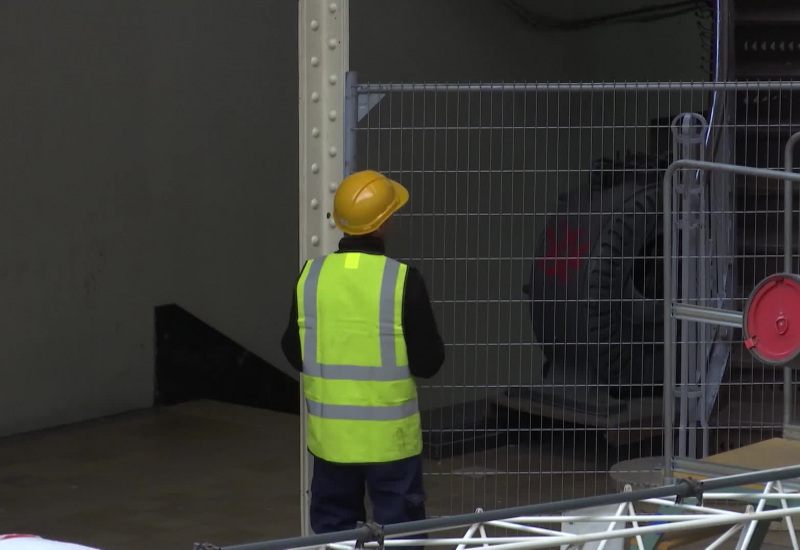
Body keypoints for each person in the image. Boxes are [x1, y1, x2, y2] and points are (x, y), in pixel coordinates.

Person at [281, 169, 445, 537]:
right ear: (383, 222)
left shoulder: (312, 277)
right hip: (393, 446)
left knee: (335, 536)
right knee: (401, 537)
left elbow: (293, 351)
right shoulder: (403, 280)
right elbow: (429, 362)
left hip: (333, 443)